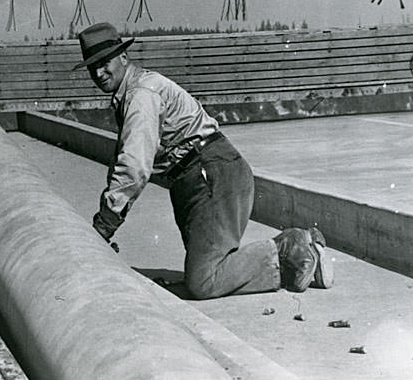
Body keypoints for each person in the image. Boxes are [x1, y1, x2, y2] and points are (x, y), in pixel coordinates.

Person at [74, 22, 334, 299]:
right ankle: (300, 263)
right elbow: (125, 159)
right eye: (93, 67)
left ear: (123, 57)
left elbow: (135, 167)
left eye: (105, 63)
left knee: (204, 281)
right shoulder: (132, 91)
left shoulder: (141, 95)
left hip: (212, 174)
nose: (99, 73)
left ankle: (291, 246)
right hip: (196, 178)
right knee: (208, 271)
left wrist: (105, 224)